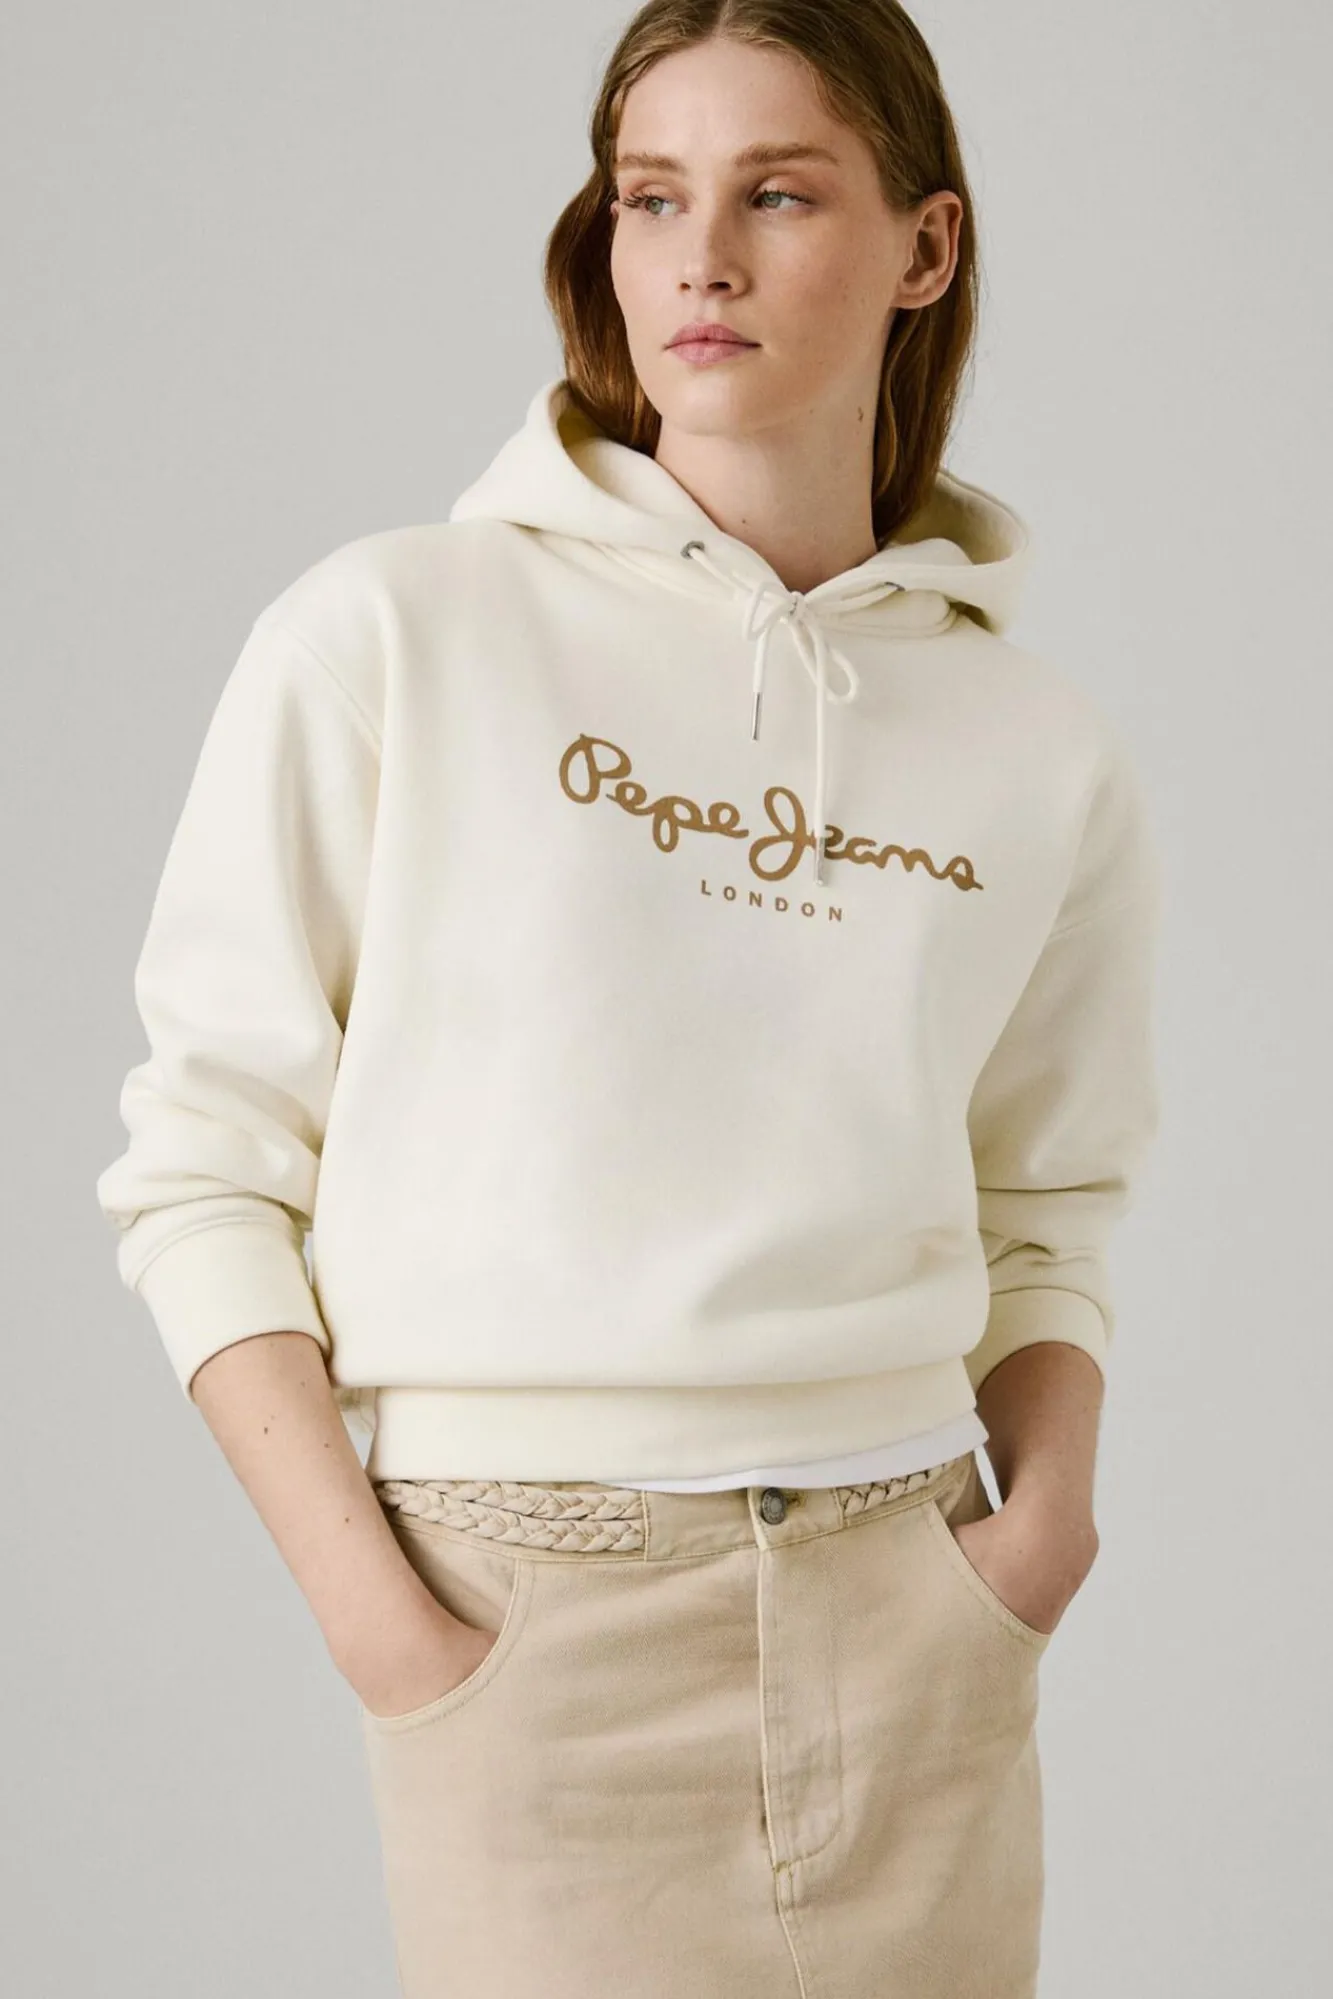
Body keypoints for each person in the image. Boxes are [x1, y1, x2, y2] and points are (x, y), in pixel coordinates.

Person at [94, 3, 1162, 1994]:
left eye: (780, 194)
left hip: (914, 1607)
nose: (703, 259)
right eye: (652, 198)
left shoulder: (1035, 746)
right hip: (528, 1619)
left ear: (925, 247)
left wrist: (1036, 1540)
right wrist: (387, 1624)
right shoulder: (394, 634)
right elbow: (202, 1164)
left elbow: (1052, 1200)